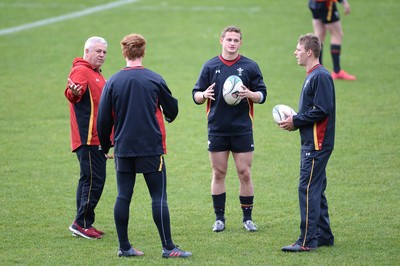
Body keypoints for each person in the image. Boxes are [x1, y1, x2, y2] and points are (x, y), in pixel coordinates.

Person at [97, 33, 192, 258]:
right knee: (158, 196)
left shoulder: (113, 81)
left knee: (123, 196)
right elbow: (173, 110)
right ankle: (168, 248)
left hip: (123, 148)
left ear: (124, 52)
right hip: (150, 148)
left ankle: (124, 247)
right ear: (143, 52)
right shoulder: (154, 79)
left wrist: (105, 146)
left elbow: (102, 119)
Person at [192, 26, 267, 233]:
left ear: (240, 43)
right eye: (229, 39)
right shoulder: (210, 66)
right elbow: (195, 95)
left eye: (236, 40)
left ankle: (247, 218)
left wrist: (250, 94)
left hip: (242, 129)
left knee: (244, 173)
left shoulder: (250, 66)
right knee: (218, 173)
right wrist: (203, 95)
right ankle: (219, 219)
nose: (232, 43)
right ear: (221, 41)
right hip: (217, 129)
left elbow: (262, 95)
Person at [279, 33, 336, 252]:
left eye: (298, 49)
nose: (295, 52)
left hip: (316, 144)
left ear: (309, 52)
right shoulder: (313, 75)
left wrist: (296, 120)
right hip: (313, 142)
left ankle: (307, 241)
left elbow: (322, 110)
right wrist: (296, 121)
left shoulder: (320, 76)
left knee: (308, 188)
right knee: (317, 188)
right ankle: (323, 235)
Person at [65, 36, 111, 240]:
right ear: (87, 51)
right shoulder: (81, 71)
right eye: (98, 51)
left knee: (89, 180)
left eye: (104, 52)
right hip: (88, 139)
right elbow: (74, 92)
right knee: (94, 180)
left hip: (97, 139)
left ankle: (84, 221)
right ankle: (81, 223)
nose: (102, 55)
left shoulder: (96, 74)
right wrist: (73, 92)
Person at [309, 0, 356, 80]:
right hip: (326, 4)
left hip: (313, 3)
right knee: (337, 35)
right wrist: (343, 2)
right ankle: (337, 71)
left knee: (319, 35)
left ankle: (317, 71)